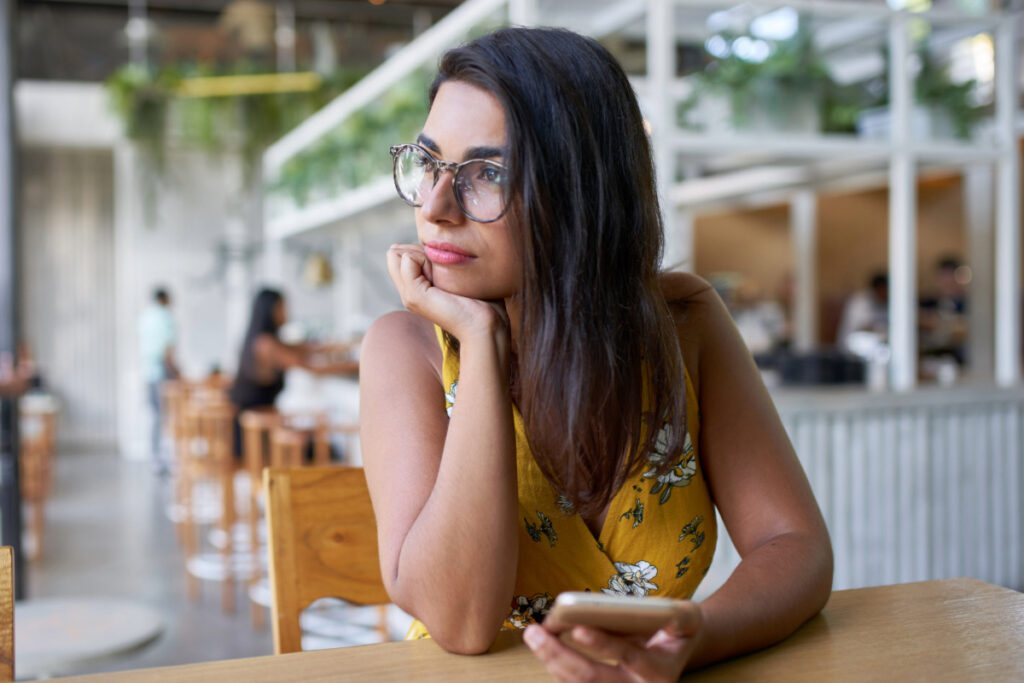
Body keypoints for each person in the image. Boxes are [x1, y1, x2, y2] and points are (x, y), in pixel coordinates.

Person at [360, 27, 832, 680]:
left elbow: (795, 545)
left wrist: (689, 641)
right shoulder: (407, 347)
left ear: (580, 191)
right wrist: (479, 342)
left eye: (487, 173)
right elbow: (462, 622)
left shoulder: (683, 323)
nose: (436, 207)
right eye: (430, 163)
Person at [228, 288, 358, 453]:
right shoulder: (266, 345)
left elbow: (312, 348)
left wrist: (353, 344)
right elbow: (314, 368)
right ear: (269, 311)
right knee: (327, 450)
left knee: (322, 444)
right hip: (251, 436)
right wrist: (360, 365)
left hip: (256, 427)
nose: (286, 312)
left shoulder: (263, 340)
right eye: (281, 307)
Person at [139, 287, 180, 474]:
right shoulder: (165, 317)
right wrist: (177, 374)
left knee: (156, 416)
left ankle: (155, 457)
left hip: (148, 373)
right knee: (166, 417)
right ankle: (167, 458)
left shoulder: (145, 317)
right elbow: (167, 353)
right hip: (163, 375)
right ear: (164, 299)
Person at [919, 257, 967, 365]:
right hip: (930, 358)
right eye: (943, 276)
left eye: (950, 276)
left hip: (959, 358)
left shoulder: (967, 304)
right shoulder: (926, 302)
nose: (946, 281)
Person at [836, 272, 888, 354]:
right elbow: (862, 326)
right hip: (851, 347)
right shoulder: (860, 301)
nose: (886, 294)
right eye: (884, 290)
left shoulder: (885, 302)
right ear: (878, 288)